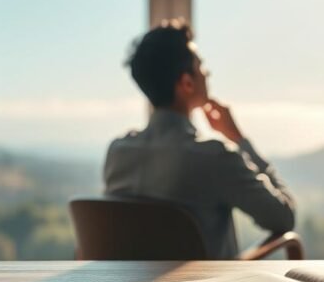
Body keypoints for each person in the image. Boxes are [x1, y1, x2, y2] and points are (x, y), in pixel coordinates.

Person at [104, 18, 296, 259]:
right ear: (186, 82)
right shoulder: (215, 157)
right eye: (201, 65)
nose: (208, 73)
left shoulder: (118, 152)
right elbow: (283, 217)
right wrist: (239, 139)